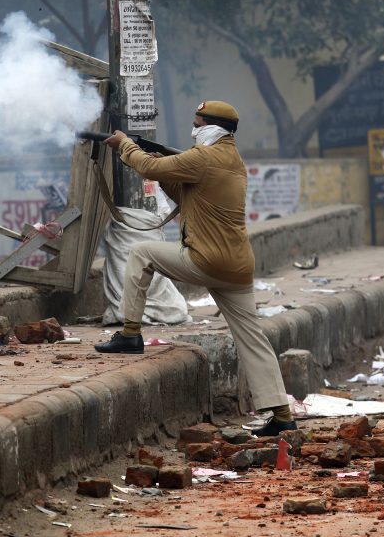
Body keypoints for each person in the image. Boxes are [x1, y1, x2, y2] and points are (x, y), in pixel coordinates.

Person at [96, 100, 296, 437]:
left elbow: (146, 168)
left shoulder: (204, 157)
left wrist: (125, 145)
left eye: (198, 123)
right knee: (253, 340)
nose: (193, 130)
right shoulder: (233, 160)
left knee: (141, 251)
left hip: (206, 259)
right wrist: (165, 169)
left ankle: (130, 334)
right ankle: (282, 414)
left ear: (214, 127)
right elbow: (186, 192)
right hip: (237, 265)